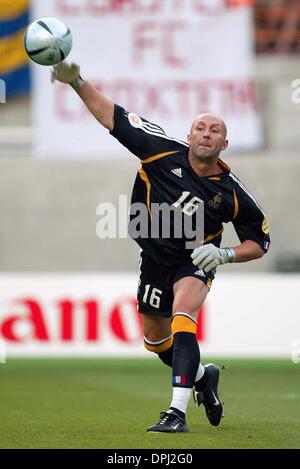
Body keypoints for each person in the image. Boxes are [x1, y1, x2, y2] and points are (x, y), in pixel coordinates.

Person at [51, 62, 270, 433]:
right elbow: (112, 117)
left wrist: (224, 254)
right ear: (189, 135)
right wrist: (76, 81)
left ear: (224, 144)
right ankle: (204, 377)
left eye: (214, 130)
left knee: (185, 316)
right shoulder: (158, 149)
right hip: (153, 258)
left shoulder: (232, 192)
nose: (206, 134)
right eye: (200, 128)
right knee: (157, 343)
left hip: (196, 260)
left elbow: (260, 242)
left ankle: (176, 413)